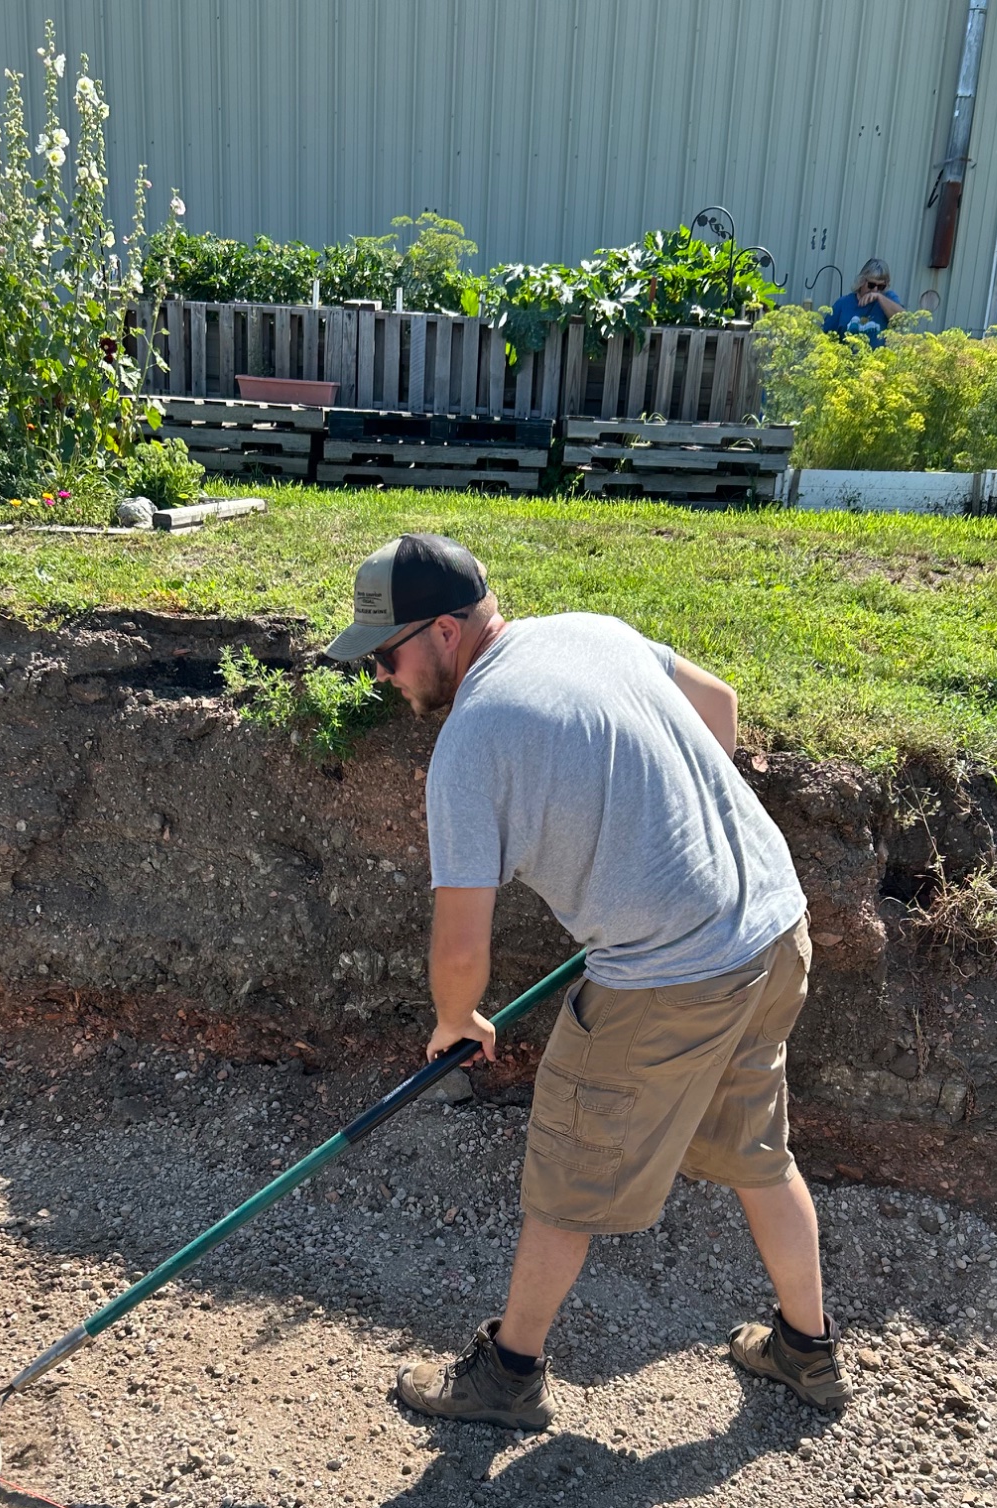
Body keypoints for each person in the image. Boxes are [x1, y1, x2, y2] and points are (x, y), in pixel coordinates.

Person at [325, 534, 848, 1431]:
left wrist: (457, 1020)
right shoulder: (590, 631)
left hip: (670, 976)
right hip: (770, 928)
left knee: (570, 1171)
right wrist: (673, 842)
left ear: (445, 631)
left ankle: (508, 1377)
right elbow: (719, 707)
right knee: (758, 1150)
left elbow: (461, 941)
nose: (379, 675)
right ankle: (808, 1351)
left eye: (387, 654)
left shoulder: (472, 741)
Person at [823, 259, 903, 345]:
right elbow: (825, 336)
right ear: (861, 281)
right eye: (871, 285)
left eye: (880, 287)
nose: (875, 290)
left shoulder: (888, 299)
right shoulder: (843, 304)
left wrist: (879, 297)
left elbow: (902, 319)